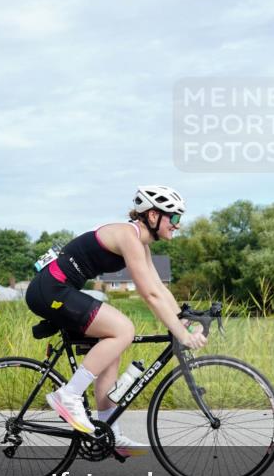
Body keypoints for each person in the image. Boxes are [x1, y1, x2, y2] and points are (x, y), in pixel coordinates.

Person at [25, 185, 207, 455]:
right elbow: (149, 295)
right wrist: (181, 335)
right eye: (175, 218)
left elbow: (159, 288)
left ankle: (109, 430)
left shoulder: (140, 244)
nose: (178, 225)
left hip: (61, 289)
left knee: (113, 347)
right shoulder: (128, 236)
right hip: (51, 289)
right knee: (123, 329)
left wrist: (183, 320)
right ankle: (68, 394)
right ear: (154, 216)